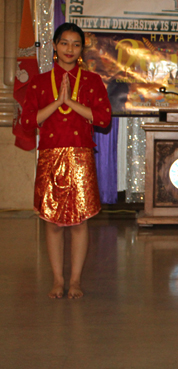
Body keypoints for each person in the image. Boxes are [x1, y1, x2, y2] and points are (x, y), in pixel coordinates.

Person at [21, 23, 112, 298]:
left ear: (81, 48)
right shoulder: (38, 81)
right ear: (54, 45)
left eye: (75, 44)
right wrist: (57, 101)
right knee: (52, 222)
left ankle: (75, 281)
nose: (69, 49)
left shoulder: (92, 81)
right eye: (64, 43)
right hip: (50, 156)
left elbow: (104, 119)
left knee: (79, 222)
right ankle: (57, 281)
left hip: (80, 157)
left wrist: (71, 103)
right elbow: (27, 122)